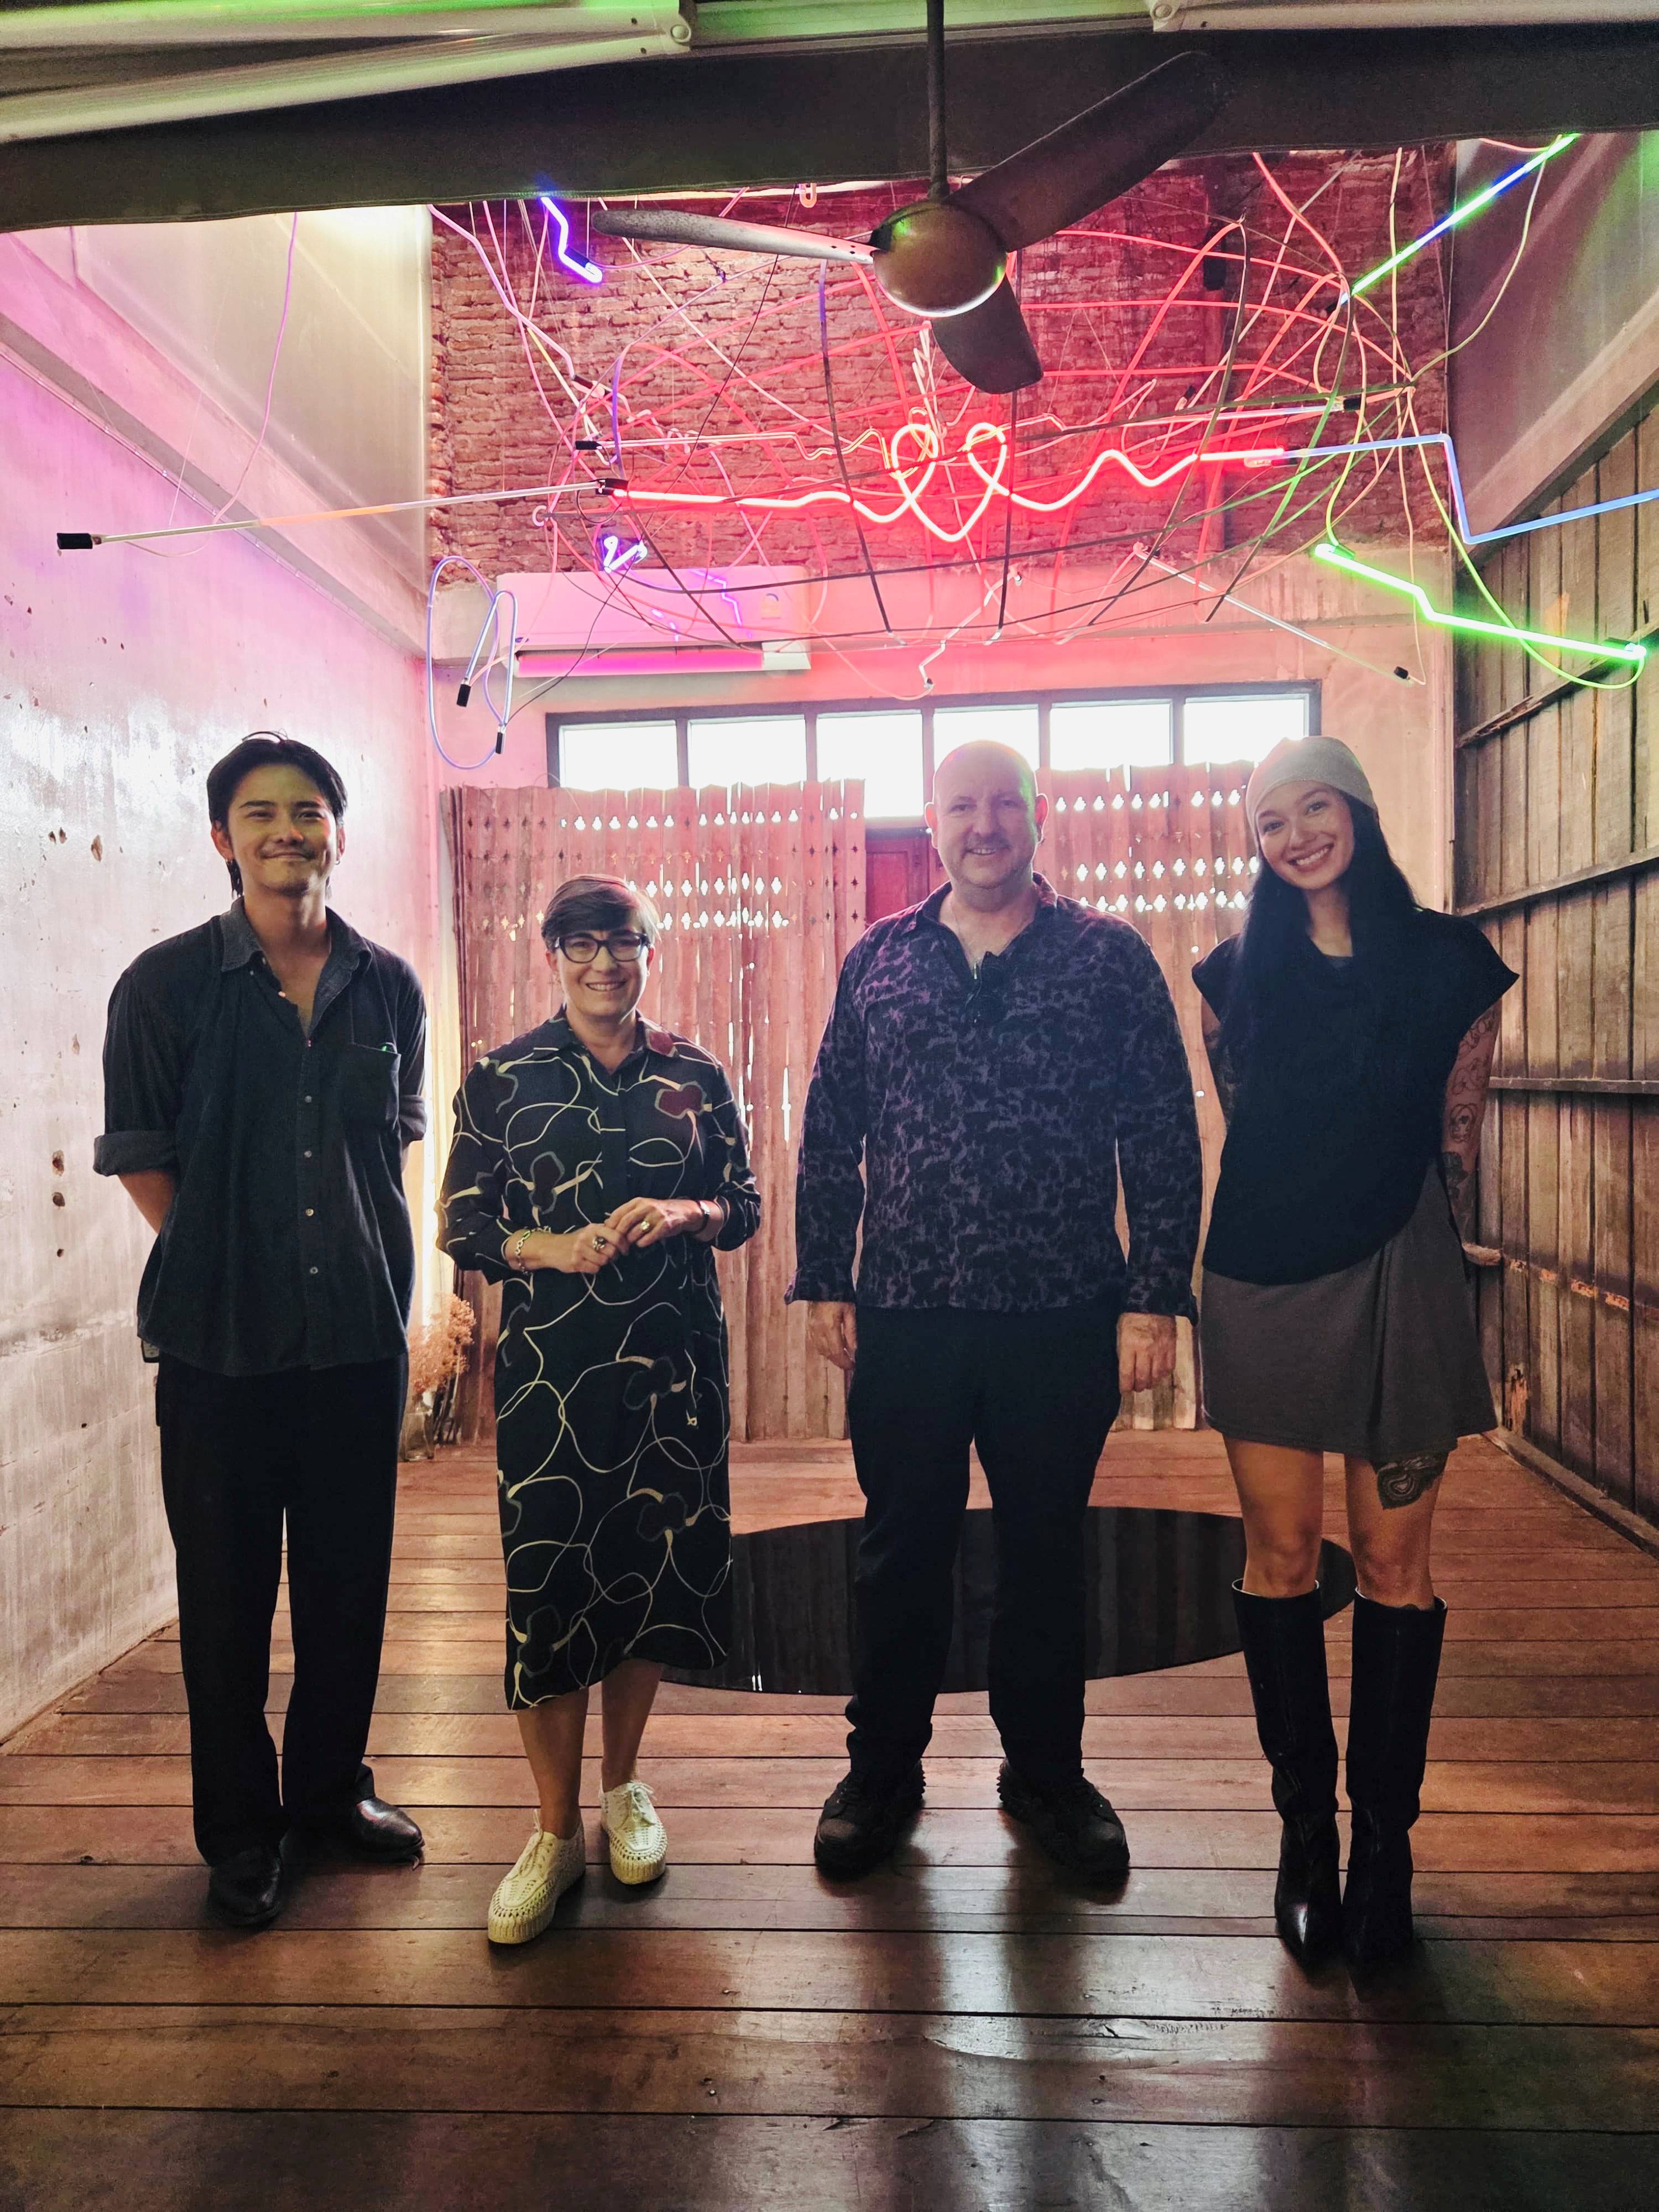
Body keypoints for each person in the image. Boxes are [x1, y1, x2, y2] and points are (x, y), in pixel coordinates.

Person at [791, 740, 1203, 1881]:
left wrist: (1154, 1297)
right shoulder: (879, 958)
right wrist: (824, 1275)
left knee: (1046, 1554)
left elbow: (1161, 1131)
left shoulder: (1109, 956)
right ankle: (882, 1774)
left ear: (1037, 815)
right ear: (934, 821)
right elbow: (831, 1126)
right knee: (899, 1553)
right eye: (962, 806)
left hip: (1061, 1311)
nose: (984, 825)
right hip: (907, 1311)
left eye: (1004, 804)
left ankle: (1047, 1775)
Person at [95, 733, 428, 1932]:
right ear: (222, 838)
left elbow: (390, 1142)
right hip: (217, 1348)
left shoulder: (389, 985)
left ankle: (330, 1795)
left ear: (338, 831)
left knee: (348, 1588)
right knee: (226, 1600)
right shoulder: (164, 986)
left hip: (357, 1339)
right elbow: (143, 1156)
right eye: (259, 812)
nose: (287, 830)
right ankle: (241, 1831)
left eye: (308, 810)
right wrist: (226, 1251)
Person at [1193, 733, 1515, 1973]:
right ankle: (1306, 1837)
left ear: (1360, 813)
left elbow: (1457, 1138)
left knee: (1393, 1563)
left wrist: (1420, 1250)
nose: (1296, 836)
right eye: (1270, 822)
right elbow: (1255, 1121)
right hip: (1263, 1276)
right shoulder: (1233, 973)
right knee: (1280, 1556)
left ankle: (1387, 1846)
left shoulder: (1450, 962)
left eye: (1315, 807)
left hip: (1402, 1269)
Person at [440, 873, 760, 1946]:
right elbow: (464, 1222)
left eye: (622, 942)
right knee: (550, 1582)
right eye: (581, 944)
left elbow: (744, 1204)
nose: (604, 963)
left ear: (647, 952)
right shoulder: (504, 1078)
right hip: (553, 1375)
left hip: (673, 1369)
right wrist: (546, 1246)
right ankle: (551, 1830)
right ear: (553, 956)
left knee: (647, 1570)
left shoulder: (694, 1073)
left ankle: (624, 1787)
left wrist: (686, 1209)